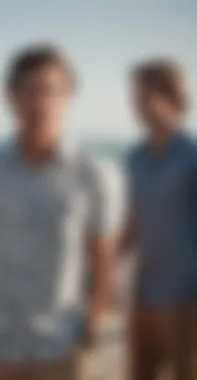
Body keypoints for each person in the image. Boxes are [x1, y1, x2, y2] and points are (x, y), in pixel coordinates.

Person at [0, 44, 115, 380]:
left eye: (51, 91)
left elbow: (103, 254)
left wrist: (95, 322)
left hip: (61, 343)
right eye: (29, 90)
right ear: (10, 97)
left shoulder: (93, 173)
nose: (40, 102)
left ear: (69, 98)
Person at [120, 59, 197, 380]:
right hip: (143, 295)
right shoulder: (134, 157)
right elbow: (131, 226)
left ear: (171, 96)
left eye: (143, 96)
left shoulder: (192, 155)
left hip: (188, 294)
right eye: (134, 97)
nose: (136, 105)